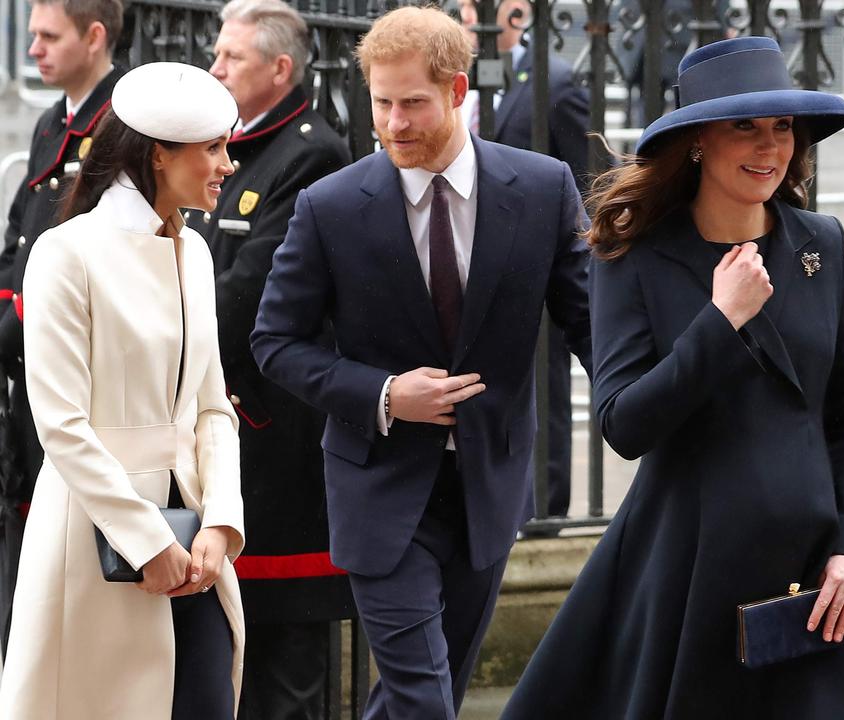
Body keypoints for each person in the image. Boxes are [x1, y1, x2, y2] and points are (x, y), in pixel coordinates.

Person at [502, 36, 844, 719]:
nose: (769, 148)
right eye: (745, 126)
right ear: (699, 140)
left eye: (782, 127)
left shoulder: (820, 243)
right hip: (695, 570)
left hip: (812, 577)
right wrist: (720, 321)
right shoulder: (633, 257)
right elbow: (625, 423)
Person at [250, 7, 591, 719]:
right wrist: (382, 394)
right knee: (423, 700)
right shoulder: (330, 206)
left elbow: (594, 325)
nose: (394, 123)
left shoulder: (542, 189)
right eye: (381, 103)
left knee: (423, 696)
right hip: (377, 490)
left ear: (459, 90)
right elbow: (276, 341)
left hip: (486, 492)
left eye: (413, 104)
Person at [0, 62, 246, 720]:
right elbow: (61, 425)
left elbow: (212, 409)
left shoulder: (194, 251)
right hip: (92, 538)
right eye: (214, 147)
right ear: (160, 155)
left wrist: (220, 523)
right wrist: (147, 541)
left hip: (193, 541)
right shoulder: (64, 252)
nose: (228, 163)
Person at [198, 1, 354, 716]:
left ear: (280, 69)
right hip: (219, 436)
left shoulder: (310, 152)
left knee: (286, 669)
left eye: (230, 57)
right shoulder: (228, 144)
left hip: (273, 441)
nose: (215, 67)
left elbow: (245, 296)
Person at [0, 0, 125, 652]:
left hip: (74, 368)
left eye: (49, 37)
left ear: (95, 36)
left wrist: (14, 320)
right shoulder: (57, 119)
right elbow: (20, 233)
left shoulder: (119, 124)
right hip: (25, 360)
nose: (34, 51)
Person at [459, 0, 590, 524]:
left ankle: (544, 514)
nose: (475, 15)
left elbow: (586, 183)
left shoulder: (554, 82)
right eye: (467, 5)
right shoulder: (443, 77)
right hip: (459, 271)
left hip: (530, 271)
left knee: (543, 385)